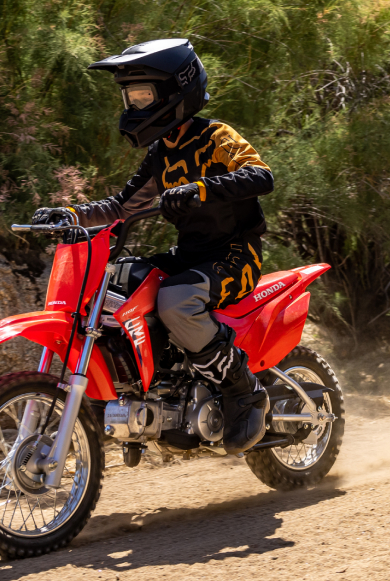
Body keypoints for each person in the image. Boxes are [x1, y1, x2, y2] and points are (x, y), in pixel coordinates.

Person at [30, 38, 272, 454]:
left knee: (176, 301)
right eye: (130, 97)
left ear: (177, 90)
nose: (135, 106)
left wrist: (201, 189)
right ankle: (163, 389)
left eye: (144, 95)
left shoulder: (217, 136)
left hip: (235, 255)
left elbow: (262, 176)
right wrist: (69, 215)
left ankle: (244, 391)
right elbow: (120, 207)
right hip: (193, 256)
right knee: (121, 283)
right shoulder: (162, 153)